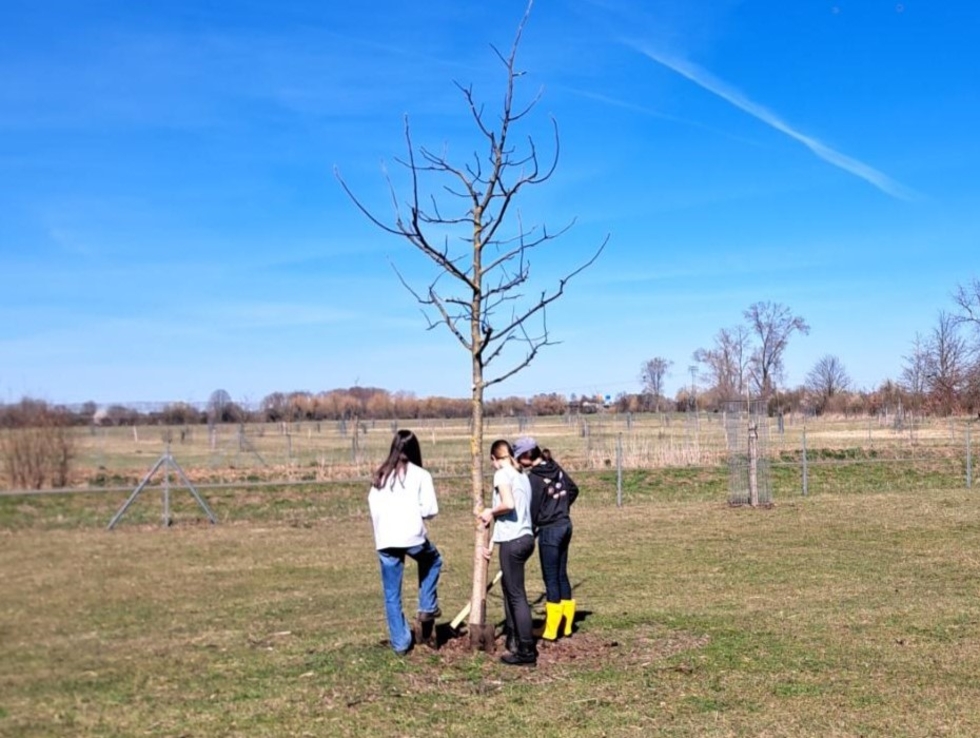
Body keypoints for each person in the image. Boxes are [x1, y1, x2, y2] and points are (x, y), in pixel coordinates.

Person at [368, 429, 443, 655]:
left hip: (385, 539)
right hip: (411, 536)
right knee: (433, 560)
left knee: (392, 593)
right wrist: (415, 512)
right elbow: (431, 509)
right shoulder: (421, 475)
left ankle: (400, 642)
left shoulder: (380, 475)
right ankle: (427, 606)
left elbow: (373, 506)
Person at [513, 436, 579, 641]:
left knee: (550, 578)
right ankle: (566, 626)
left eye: (518, 458)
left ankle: (550, 630)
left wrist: (530, 529)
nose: (518, 463)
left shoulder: (534, 478)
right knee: (561, 575)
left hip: (551, 531)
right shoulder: (553, 466)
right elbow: (573, 489)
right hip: (565, 525)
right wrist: (561, 508)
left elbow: (532, 511)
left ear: (526, 456)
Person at [477, 439, 537, 666]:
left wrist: (490, 511)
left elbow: (508, 505)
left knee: (516, 595)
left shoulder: (502, 474)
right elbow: (512, 516)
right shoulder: (522, 476)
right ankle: (514, 640)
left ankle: (526, 651)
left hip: (513, 543)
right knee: (510, 591)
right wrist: (491, 545)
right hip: (525, 538)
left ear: (494, 458)